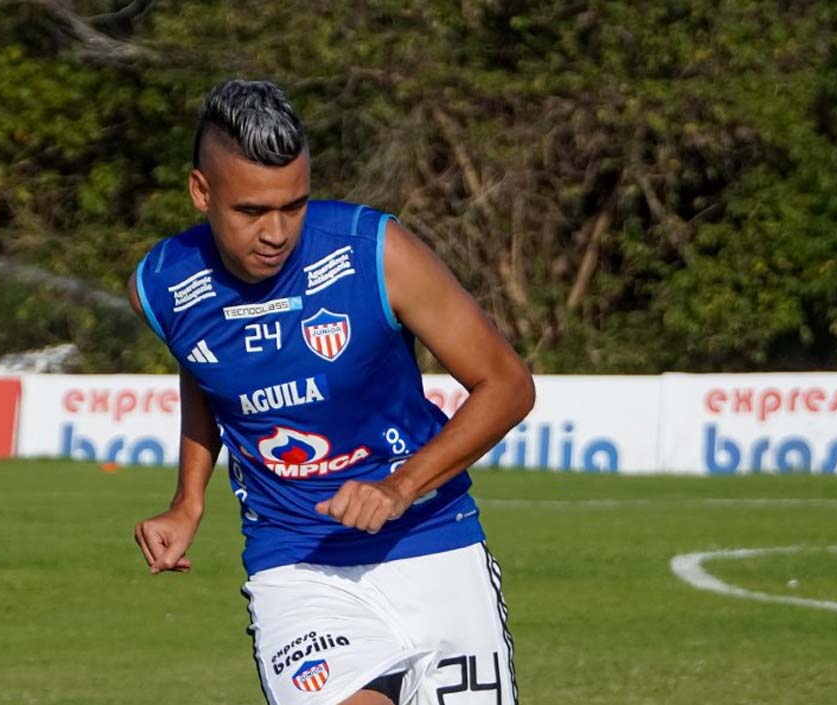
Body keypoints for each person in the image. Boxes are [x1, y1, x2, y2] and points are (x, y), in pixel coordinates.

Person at [127, 79, 534, 705]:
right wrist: (187, 501)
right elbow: (205, 369)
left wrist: (400, 487)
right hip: (297, 562)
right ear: (201, 192)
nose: (276, 232)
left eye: (295, 205)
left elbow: (507, 386)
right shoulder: (160, 286)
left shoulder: (375, 252)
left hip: (432, 540)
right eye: (251, 211)